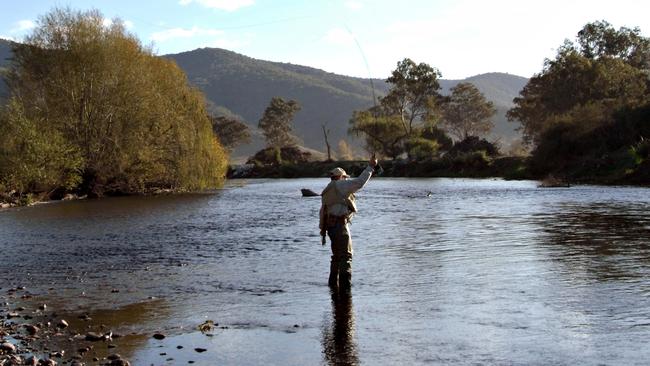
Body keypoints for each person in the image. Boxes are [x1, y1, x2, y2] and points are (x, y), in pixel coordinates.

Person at [319, 158, 377, 290]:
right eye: (344, 177)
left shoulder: (328, 189)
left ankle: (333, 285)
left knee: (336, 257)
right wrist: (371, 167)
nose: (346, 180)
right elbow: (360, 182)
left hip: (330, 227)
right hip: (340, 226)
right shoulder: (340, 185)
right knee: (346, 256)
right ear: (340, 177)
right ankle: (346, 287)